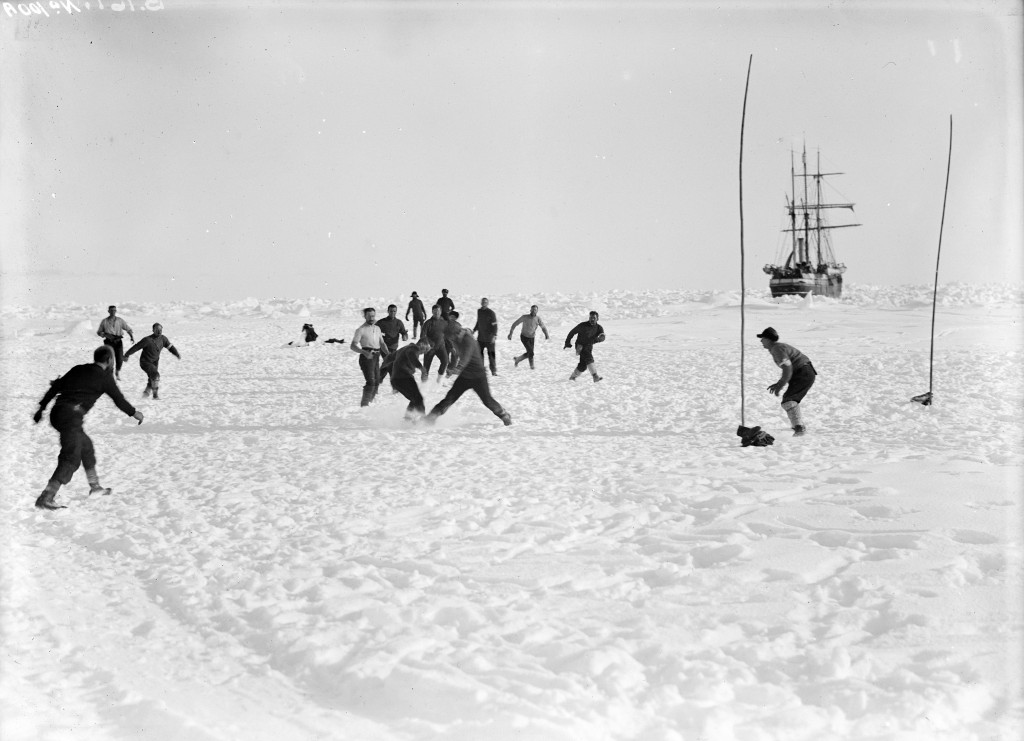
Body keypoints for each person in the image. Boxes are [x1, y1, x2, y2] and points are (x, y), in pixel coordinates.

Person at [32, 345, 144, 509]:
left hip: (57, 413)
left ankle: (95, 487)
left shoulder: (78, 369)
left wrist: (41, 408)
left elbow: (56, 386)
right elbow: (118, 399)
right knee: (71, 456)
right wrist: (135, 413)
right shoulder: (104, 377)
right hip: (71, 417)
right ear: (109, 360)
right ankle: (47, 496)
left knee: (86, 447)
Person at [426, 328, 512, 426]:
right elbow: (457, 356)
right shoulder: (456, 339)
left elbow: (465, 359)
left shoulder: (468, 341)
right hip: (465, 376)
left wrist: (455, 370)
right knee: (450, 398)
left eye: (451, 337)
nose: (450, 339)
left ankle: (504, 415)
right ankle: (430, 418)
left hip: (478, 376)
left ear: (456, 333)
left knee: (487, 400)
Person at [758, 326, 816, 436]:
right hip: (803, 372)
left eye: (763, 338)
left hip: (803, 372)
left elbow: (787, 368)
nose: (761, 341)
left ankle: (799, 428)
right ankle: (798, 427)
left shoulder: (777, 349)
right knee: (788, 400)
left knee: (789, 401)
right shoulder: (777, 348)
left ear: (769, 339)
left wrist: (780, 384)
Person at [124, 323, 182, 400]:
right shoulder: (147, 340)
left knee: (152, 378)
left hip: (155, 362)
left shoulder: (163, 339)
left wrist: (176, 353)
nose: (159, 332)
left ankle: (145, 394)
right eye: (157, 330)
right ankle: (155, 396)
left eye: (160, 330)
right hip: (145, 362)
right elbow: (136, 347)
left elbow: (170, 347)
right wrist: (127, 355)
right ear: (153, 330)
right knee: (155, 375)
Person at [382, 338, 431, 419]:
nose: (424, 353)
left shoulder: (404, 348)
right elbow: (412, 357)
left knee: (414, 398)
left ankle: (408, 418)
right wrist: (421, 368)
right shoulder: (414, 349)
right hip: (403, 377)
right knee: (418, 398)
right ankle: (423, 419)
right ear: (422, 345)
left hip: (397, 379)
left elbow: (389, 358)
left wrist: (380, 372)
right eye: (425, 350)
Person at [350, 308, 390, 406]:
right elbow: (353, 346)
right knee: (371, 382)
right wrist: (363, 352)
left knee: (377, 381)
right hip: (366, 357)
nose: (372, 318)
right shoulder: (361, 330)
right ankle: (364, 405)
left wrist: (388, 355)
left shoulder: (377, 328)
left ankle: (370, 402)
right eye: (369, 316)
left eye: (373, 316)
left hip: (376, 356)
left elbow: (382, 343)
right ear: (365, 316)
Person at [564, 311, 606, 382]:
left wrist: (597, 339)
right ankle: (595, 376)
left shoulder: (599, 328)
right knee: (589, 357)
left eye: (594, 318)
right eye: (591, 317)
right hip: (580, 346)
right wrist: (567, 343)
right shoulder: (583, 325)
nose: (592, 319)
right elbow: (572, 332)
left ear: (597, 319)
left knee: (583, 366)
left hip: (589, 347)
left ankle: (572, 377)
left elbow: (603, 337)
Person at [95, 305, 134, 380]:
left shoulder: (120, 320)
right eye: (111, 310)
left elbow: (127, 328)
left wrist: (131, 336)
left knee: (119, 358)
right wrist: (105, 334)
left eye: (114, 310)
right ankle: (110, 375)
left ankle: (117, 371)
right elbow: (99, 332)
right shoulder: (104, 321)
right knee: (110, 359)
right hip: (109, 342)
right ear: (108, 311)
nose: (113, 312)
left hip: (118, 341)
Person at [508, 304, 550, 370]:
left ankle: (518, 359)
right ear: (530, 310)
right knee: (531, 352)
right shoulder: (525, 317)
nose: (533, 311)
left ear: (537, 311)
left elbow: (543, 327)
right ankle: (532, 367)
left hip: (532, 337)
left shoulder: (538, 319)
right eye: (532, 310)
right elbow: (515, 324)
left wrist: (546, 334)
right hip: (524, 337)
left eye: (535, 310)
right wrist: (510, 333)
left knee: (530, 353)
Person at [376, 304, 409, 381]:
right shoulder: (382, 322)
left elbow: (403, 332)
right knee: (391, 363)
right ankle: (394, 383)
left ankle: (378, 379)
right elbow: (373, 330)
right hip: (384, 347)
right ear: (388, 311)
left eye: (394, 311)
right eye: (391, 311)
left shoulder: (399, 322)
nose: (393, 313)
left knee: (387, 363)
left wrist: (405, 336)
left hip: (394, 347)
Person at [421, 305, 449, 381]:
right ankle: (423, 384)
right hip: (430, 348)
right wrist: (426, 344)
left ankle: (439, 379)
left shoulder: (444, 323)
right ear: (432, 312)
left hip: (441, 347)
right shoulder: (428, 323)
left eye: (438, 311)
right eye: (435, 311)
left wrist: (452, 346)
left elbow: (448, 334)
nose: (437, 312)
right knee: (426, 367)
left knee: (445, 361)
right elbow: (422, 335)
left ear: (441, 312)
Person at [473, 297, 499, 376]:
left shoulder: (491, 313)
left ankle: (493, 371)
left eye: (485, 302)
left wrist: (494, 335)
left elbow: (495, 325)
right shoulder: (479, 311)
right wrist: (474, 330)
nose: (484, 303)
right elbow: (478, 322)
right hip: (480, 338)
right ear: (481, 303)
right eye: (483, 302)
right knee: (480, 356)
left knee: (491, 355)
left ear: (487, 303)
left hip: (489, 339)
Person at [444, 310, 463, 376]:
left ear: (456, 318)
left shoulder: (458, 326)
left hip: (455, 344)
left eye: (454, 317)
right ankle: (447, 369)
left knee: (454, 358)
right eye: (451, 316)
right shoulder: (445, 324)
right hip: (446, 343)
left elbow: (460, 335)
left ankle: (449, 371)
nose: (452, 318)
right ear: (449, 317)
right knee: (445, 358)